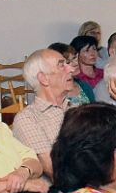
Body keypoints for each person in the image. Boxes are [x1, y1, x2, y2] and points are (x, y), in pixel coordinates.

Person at [11, 47, 77, 182]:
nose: (71, 69)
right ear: (44, 79)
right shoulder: (28, 119)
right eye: (61, 65)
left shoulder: (76, 109)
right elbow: (55, 171)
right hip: (65, 190)